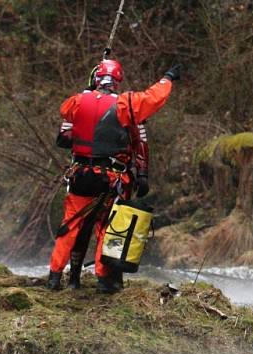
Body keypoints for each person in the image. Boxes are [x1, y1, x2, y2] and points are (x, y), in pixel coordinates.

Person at [47, 59, 181, 293]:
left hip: (80, 176)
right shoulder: (124, 104)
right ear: (117, 82)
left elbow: (65, 131)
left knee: (70, 226)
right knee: (106, 228)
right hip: (111, 179)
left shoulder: (76, 101)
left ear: (95, 79)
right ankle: (103, 280)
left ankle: (54, 276)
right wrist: (167, 78)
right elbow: (153, 98)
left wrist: (88, 94)